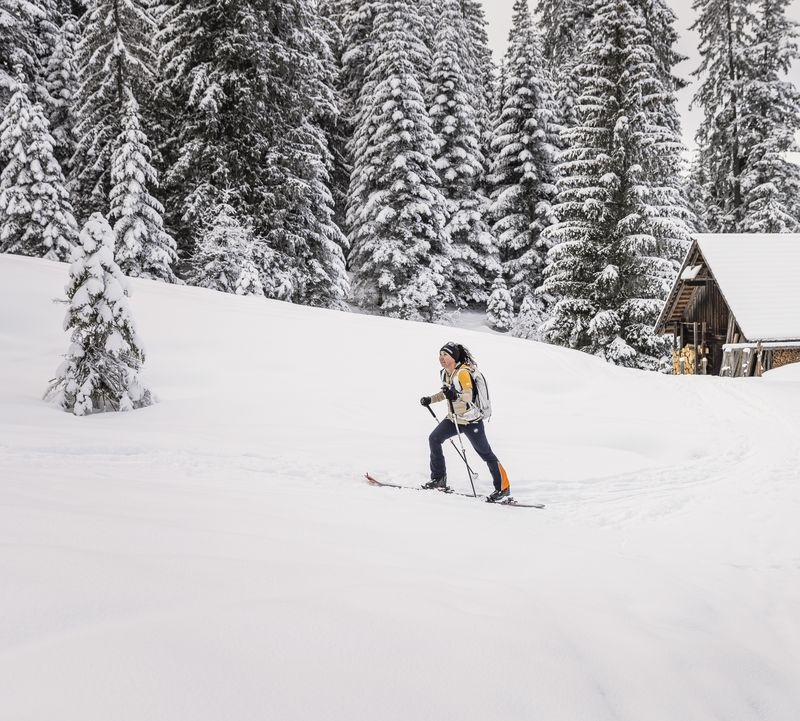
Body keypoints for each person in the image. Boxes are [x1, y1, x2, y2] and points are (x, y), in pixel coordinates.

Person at [419, 342, 511, 502]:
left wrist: (454, 395)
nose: (441, 358)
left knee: (485, 453)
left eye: (445, 355)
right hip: (454, 419)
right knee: (434, 439)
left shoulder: (462, 373)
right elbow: (445, 393)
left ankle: (503, 487)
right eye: (440, 355)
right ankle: (439, 478)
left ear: (453, 357)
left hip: (471, 421)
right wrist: (430, 399)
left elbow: (467, 395)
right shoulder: (446, 373)